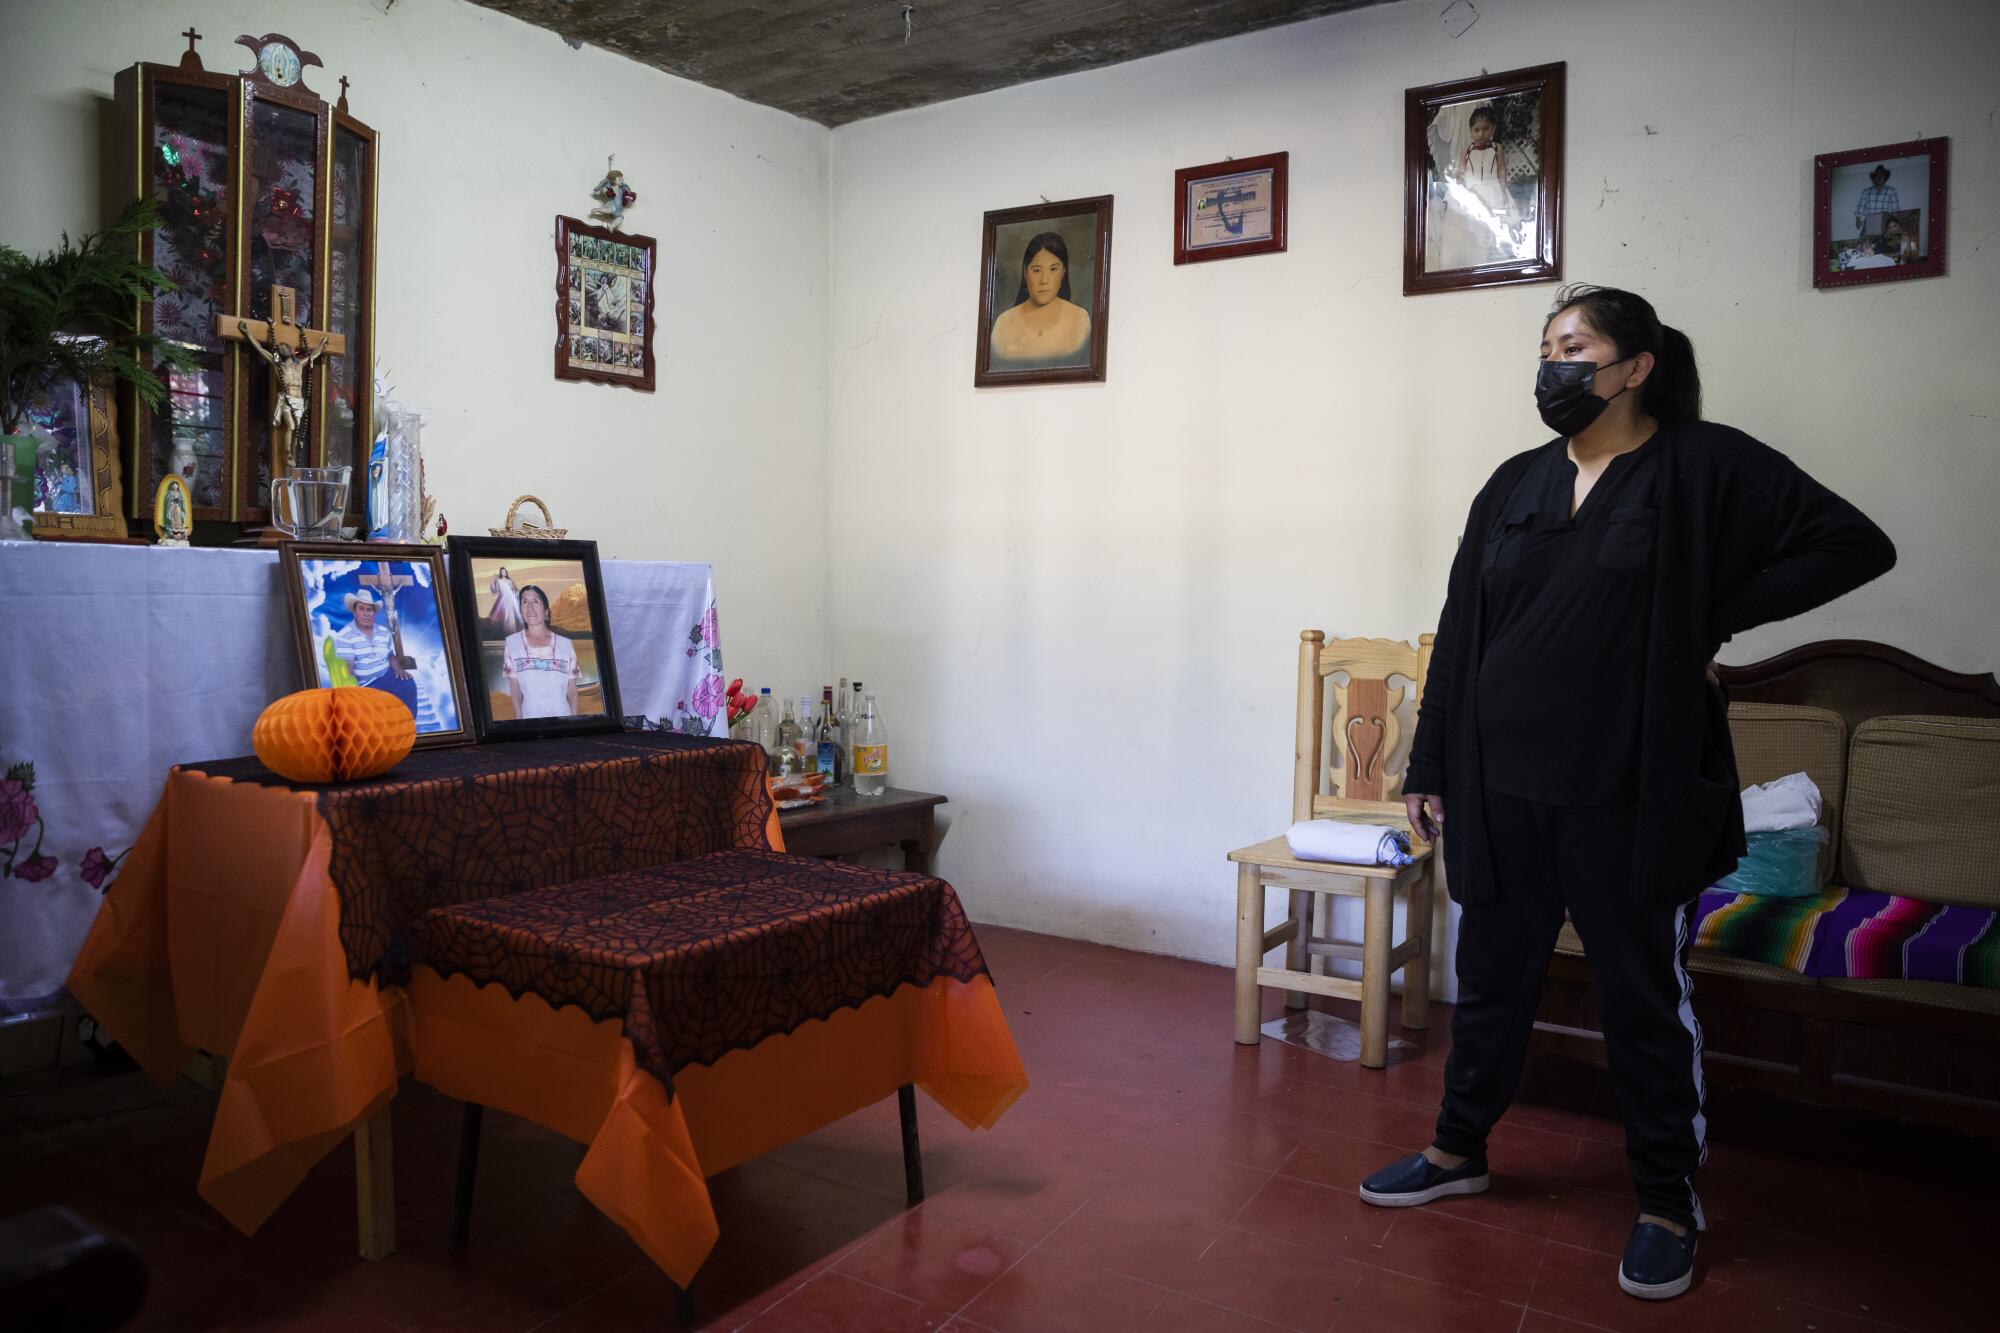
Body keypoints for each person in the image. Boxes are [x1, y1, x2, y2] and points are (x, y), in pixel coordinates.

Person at [1361, 285, 1895, 1302]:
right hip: (1498, 783)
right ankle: (1454, 1149)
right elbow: (1461, 629)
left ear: (1634, 365)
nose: (1553, 365)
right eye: (1545, 347)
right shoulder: (1512, 483)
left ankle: (1663, 1202)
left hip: (1623, 791)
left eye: (1574, 346)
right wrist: (1427, 767)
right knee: (1488, 982)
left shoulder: (1698, 465)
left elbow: (1853, 543)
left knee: (1639, 999)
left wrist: (1701, 616)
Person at [989, 232, 1092, 366]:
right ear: (1025, 273)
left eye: (1053, 269)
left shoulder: (1080, 318)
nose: (1044, 280)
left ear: (1063, 272)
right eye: (1037, 270)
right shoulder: (1004, 322)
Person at [331, 589, 417, 713]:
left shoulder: (383, 632)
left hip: (387, 676)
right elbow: (347, 668)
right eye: (362, 609)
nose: (366, 613)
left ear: (373, 613)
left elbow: (390, 655)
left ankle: (409, 724)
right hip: (366, 685)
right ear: (354, 612)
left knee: (408, 683)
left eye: (369, 609)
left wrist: (398, 669)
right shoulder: (345, 635)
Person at [501, 584, 580, 719]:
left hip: (564, 722)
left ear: (546, 612)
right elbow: (515, 692)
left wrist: (574, 723)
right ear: (520, 610)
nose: (530, 607)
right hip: (530, 723)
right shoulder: (512, 643)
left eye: (535, 601)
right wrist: (521, 726)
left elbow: (572, 692)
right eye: (524, 602)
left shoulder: (565, 645)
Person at [1853, 164, 1899, 235]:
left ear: (1885, 178)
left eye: (1881, 175)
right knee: (1864, 242)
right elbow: (1860, 207)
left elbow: (1895, 209)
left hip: (1884, 224)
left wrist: (1894, 224)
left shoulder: (1891, 191)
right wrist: (1858, 219)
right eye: (1877, 175)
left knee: (1883, 244)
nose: (1879, 177)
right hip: (1869, 223)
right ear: (1873, 178)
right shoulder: (1866, 191)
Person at [487, 565, 523, 633]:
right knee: (505, 616)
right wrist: (493, 581)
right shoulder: (499, 581)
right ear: (500, 573)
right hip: (503, 599)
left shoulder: (510, 580)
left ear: (506, 572)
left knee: (512, 615)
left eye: (505, 572)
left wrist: (518, 592)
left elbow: (515, 588)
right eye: (502, 572)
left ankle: (513, 630)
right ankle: (507, 631)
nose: (504, 573)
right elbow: (495, 590)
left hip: (511, 599)